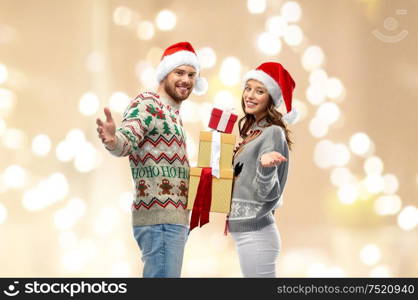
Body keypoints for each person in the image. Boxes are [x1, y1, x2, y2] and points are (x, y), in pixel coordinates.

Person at [96, 42, 207, 278]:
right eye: (179, 72)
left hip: (172, 219)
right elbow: (126, 140)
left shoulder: (173, 114)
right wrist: (112, 140)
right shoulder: (148, 104)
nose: (186, 79)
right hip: (160, 220)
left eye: (191, 74)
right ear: (165, 73)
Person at [227, 62, 297, 277]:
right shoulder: (253, 132)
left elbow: (269, 194)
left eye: (260, 91)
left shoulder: (272, 132)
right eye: (248, 88)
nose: (250, 95)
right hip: (247, 233)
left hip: (256, 234)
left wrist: (266, 170)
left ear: (271, 98)